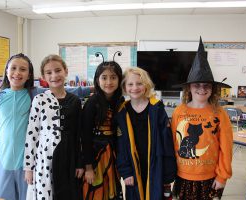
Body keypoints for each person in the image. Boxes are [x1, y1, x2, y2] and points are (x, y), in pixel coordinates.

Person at [171, 37, 233, 200]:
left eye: (207, 85)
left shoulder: (219, 113)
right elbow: (173, 142)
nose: (202, 89)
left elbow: (226, 147)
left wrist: (222, 176)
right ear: (189, 88)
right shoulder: (179, 111)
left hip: (210, 177)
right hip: (183, 174)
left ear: (212, 89)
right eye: (197, 85)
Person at [0, 53, 42, 200]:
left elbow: (60, 92)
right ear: (6, 71)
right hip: (4, 163)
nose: (17, 73)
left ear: (29, 74)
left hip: (27, 165)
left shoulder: (35, 95)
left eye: (23, 69)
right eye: (13, 68)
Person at [24, 54, 84, 200]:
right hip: (45, 158)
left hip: (69, 157)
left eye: (58, 70)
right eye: (49, 73)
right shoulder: (39, 100)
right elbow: (32, 134)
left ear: (65, 71)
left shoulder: (75, 101)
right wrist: (28, 168)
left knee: (67, 193)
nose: (54, 75)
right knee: (48, 193)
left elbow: (79, 135)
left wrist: (80, 163)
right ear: (43, 77)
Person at [116, 67, 177, 200]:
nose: (135, 87)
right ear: (125, 88)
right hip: (133, 168)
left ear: (146, 85)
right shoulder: (122, 112)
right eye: (130, 84)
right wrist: (125, 172)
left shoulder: (157, 109)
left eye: (139, 83)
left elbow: (167, 143)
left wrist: (168, 173)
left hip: (156, 166)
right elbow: (121, 146)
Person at [82, 58, 124, 199]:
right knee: (97, 191)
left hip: (113, 153)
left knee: (112, 190)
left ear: (119, 80)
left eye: (113, 77)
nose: (108, 82)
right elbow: (85, 136)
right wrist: (88, 168)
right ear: (97, 79)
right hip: (95, 154)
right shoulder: (92, 102)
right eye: (104, 77)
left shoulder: (120, 101)